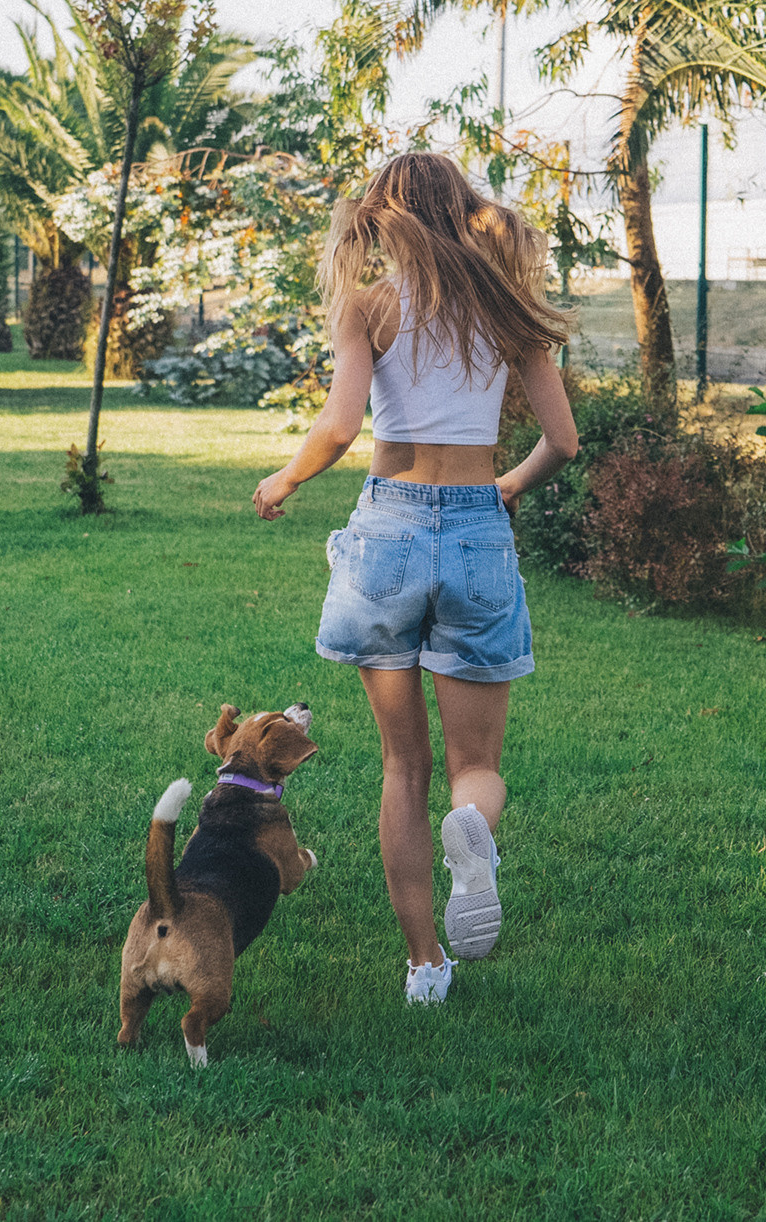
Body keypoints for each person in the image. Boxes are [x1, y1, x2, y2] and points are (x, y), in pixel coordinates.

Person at [252, 152, 580, 1004]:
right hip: (475, 525)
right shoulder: (507, 311)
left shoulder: (368, 307)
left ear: (387, 216)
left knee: (404, 765)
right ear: (464, 210)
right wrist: (506, 485)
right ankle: (473, 830)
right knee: (477, 764)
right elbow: (564, 442)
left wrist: (285, 481)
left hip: (389, 529)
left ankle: (426, 965)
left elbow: (339, 424)